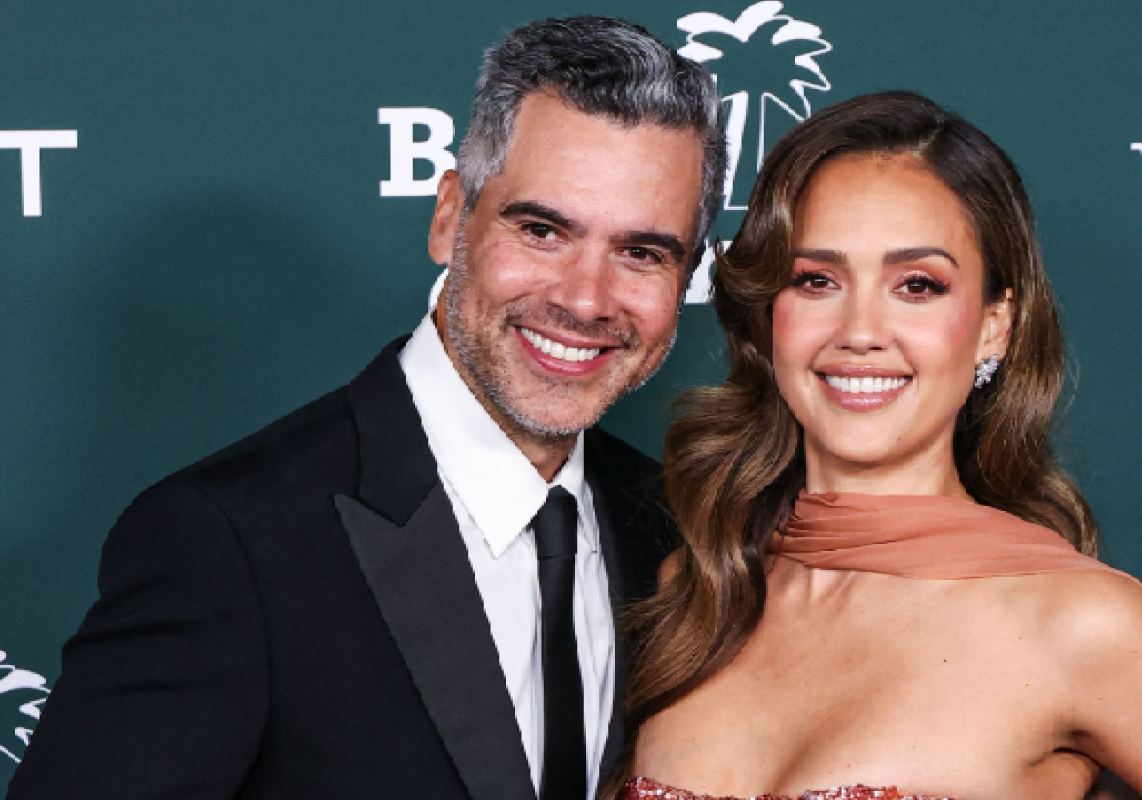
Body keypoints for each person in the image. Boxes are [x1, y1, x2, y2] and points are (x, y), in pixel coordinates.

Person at [10, 16, 724, 800]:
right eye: (542, 230)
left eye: (641, 253)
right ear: (450, 217)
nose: (586, 300)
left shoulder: (684, 533)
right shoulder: (227, 544)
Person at [615, 92, 1142, 799]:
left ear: (993, 326)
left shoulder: (1085, 627)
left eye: (917, 286)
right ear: (771, 313)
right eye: (816, 281)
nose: (860, 331)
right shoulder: (693, 596)